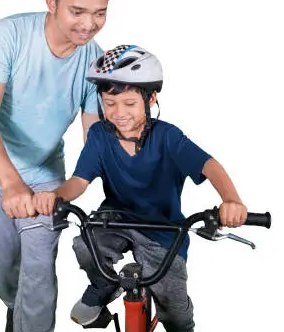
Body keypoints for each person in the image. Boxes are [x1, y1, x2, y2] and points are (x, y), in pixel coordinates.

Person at [33, 45, 248, 332]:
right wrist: (55, 196)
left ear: (151, 99)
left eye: (129, 104)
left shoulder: (168, 137)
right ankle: (105, 285)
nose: (118, 113)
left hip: (163, 230)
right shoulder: (99, 136)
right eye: (109, 104)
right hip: (116, 218)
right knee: (85, 243)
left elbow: (210, 166)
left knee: (174, 308)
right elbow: (79, 181)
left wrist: (231, 200)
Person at [0, 0, 111, 332]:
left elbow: (94, 134)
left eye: (100, 13)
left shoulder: (95, 62)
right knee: (4, 268)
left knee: (40, 269)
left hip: (47, 174)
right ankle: (15, 306)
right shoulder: (8, 35)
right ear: (52, 3)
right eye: (77, 11)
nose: (89, 24)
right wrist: (11, 182)